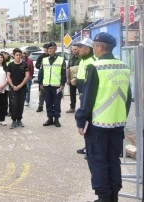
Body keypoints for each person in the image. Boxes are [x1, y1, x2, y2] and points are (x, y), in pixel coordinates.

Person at [75, 32, 131, 202]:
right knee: (113, 160)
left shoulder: (96, 67)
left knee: (98, 161)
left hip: (97, 124)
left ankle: (104, 198)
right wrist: (121, 117)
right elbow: (127, 98)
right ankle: (113, 196)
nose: (94, 48)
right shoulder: (124, 66)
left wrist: (81, 119)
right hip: (117, 124)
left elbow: (88, 98)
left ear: (99, 47)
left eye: (94, 45)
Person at [74, 38, 96, 156]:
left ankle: (90, 149)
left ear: (87, 49)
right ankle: (87, 146)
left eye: (81, 47)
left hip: (88, 97)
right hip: (83, 95)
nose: (78, 49)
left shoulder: (92, 61)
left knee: (89, 122)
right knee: (87, 122)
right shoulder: (83, 60)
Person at [38, 42, 66, 127]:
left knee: (57, 103)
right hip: (46, 85)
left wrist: (62, 84)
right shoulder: (44, 60)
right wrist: (40, 83)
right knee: (48, 103)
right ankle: (50, 118)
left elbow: (63, 73)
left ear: (55, 49)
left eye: (51, 48)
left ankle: (56, 119)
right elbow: (41, 72)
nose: (49, 50)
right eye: (48, 48)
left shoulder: (61, 59)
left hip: (57, 85)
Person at [7, 48, 30, 129]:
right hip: (13, 88)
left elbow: (27, 76)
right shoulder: (10, 65)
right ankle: (13, 121)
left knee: (21, 104)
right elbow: (8, 76)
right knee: (14, 104)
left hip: (22, 88)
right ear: (13, 55)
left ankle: (19, 120)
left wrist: (20, 85)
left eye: (20, 55)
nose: (18, 56)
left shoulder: (24, 64)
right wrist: (13, 86)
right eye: (17, 55)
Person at [66, 44, 81, 113]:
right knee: (72, 94)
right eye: (73, 49)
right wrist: (68, 79)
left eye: (75, 49)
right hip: (72, 79)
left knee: (82, 94)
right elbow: (68, 69)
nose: (74, 51)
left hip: (80, 79)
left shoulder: (82, 58)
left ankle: (82, 108)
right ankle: (72, 108)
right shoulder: (71, 59)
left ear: (79, 49)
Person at [35, 43, 49, 112]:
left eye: (47, 48)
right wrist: (42, 65)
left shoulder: (51, 57)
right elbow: (37, 65)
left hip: (51, 78)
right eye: (45, 48)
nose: (46, 49)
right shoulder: (41, 57)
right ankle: (40, 106)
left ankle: (49, 106)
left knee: (49, 93)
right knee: (41, 93)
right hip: (42, 77)